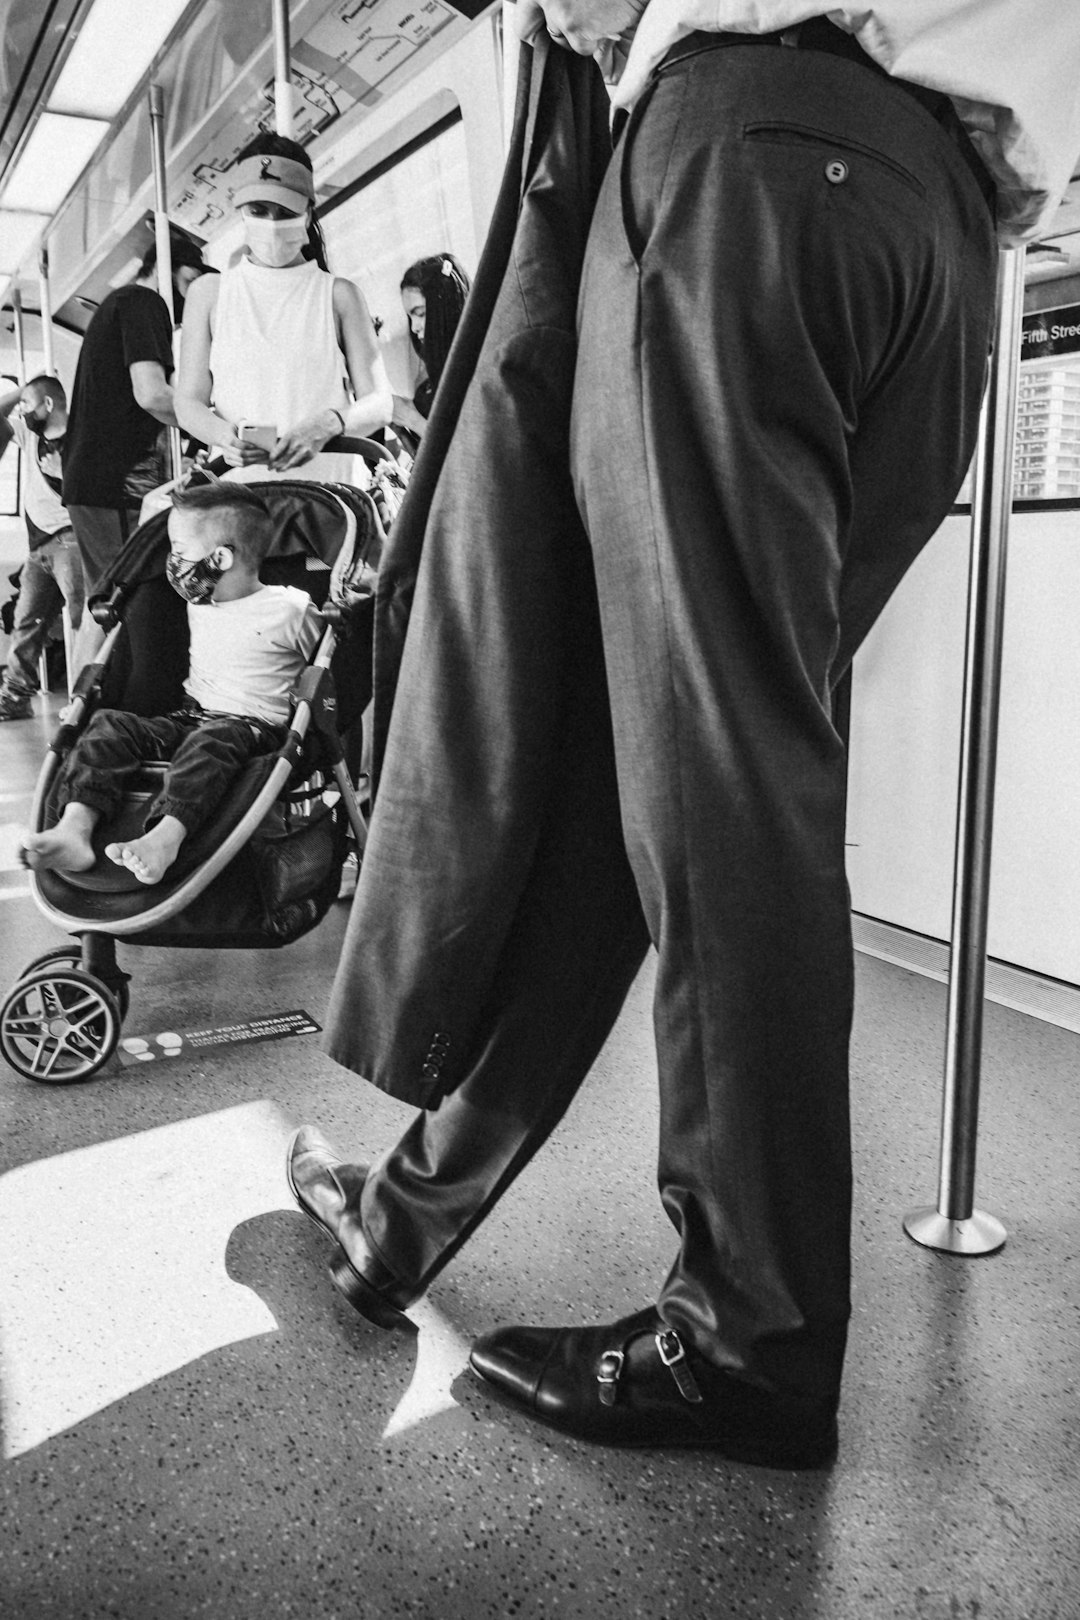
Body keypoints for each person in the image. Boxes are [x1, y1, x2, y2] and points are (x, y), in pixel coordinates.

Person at [288, 2, 1080, 1469]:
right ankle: (401, 1219)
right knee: (663, 778)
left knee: (705, 785)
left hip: (753, 175)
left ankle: (749, 1342)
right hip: (952, 244)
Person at [22, 481, 321, 886]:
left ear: (219, 557)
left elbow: (321, 663)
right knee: (110, 724)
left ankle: (165, 837)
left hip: (253, 729)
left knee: (212, 741)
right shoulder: (198, 602)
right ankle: (75, 827)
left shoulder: (289, 609)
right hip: (191, 717)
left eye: (179, 551)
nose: (172, 561)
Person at [175, 132, 392, 485]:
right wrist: (222, 435)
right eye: (258, 210)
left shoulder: (339, 295)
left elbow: (380, 403)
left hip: (330, 492)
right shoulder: (210, 294)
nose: (272, 224)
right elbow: (188, 403)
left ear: (308, 214)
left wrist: (330, 423)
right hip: (240, 493)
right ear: (241, 211)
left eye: (286, 212)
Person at [62, 227, 206, 609]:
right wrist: (219, 430)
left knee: (107, 605)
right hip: (116, 485)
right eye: (188, 281)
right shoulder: (144, 302)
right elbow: (153, 394)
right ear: (162, 266)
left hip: (97, 482)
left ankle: (88, 672)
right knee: (127, 608)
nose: (188, 295)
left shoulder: (119, 305)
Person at [0, 375, 84, 721]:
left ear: (48, 405)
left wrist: (65, 473)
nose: (24, 411)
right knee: (26, 622)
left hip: (72, 540)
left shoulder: (83, 437)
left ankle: (84, 697)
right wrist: (24, 389)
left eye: (30, 405)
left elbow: (98, 492)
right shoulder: (30, 435)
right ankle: (16, 695)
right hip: (39, 547)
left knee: (82, 620)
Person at [391, 254, 471, 449]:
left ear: (445, 308)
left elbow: (465, 451)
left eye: (421, 314)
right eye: (411, 317)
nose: (414, 327)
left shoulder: (474, 369)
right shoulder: (432, 371)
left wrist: (411, 419)